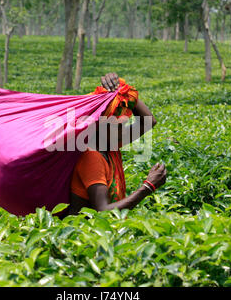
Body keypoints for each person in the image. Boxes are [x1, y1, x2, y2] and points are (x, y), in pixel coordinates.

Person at [66, 73, 167, 215]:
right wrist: (148, 187)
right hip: (82, 232)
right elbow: (102, 211)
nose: (123, 132)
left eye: (123, 125)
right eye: (117, 127)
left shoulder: (109, 145)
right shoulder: (91, 156)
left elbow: (149, 121)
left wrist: (123, 91)